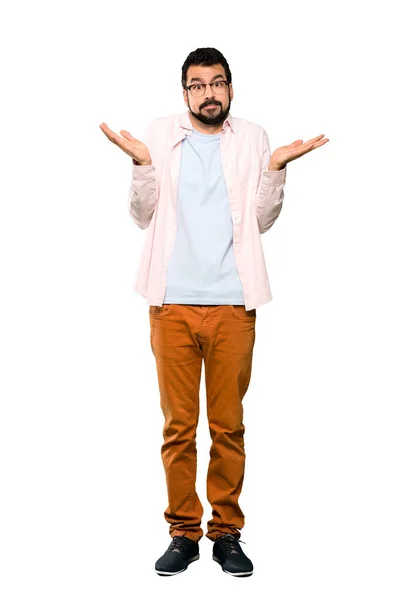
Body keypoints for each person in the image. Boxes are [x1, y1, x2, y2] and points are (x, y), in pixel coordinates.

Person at [99, 47, 329, 578]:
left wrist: (275, 170)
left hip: (232, 304)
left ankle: (226, 533)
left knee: (228, 426)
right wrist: (140, 163)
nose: (209, 92)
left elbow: (262, 222)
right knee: (179, 427)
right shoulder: (159, 134)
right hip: (172, 304)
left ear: (231, 88)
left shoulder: (252, 138)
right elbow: (141, 216)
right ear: (185, 94)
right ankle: (183, 532)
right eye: (198, 85)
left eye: (217, 82)